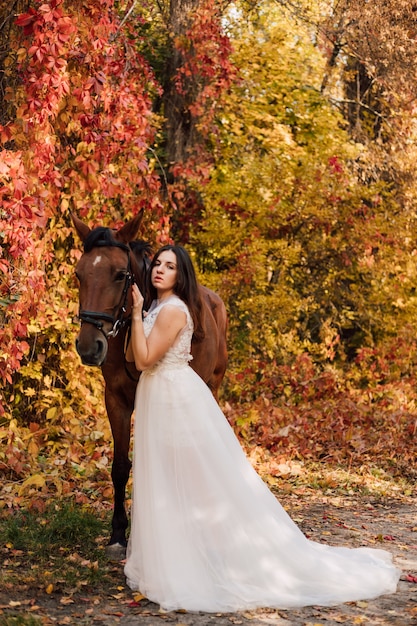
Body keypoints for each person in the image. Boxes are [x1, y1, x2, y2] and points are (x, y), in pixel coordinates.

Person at [124, 244, 400, 613]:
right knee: (164, 479)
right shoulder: (156, 308)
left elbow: (142, 360)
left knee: (184, 479)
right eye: (157, 263)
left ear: (181, 274)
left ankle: (205, 561)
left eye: (170, 266)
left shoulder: (172, 310)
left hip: (174, 400)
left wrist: (136, 313)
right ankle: (175, 557)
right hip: (158, 396)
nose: (160, 269)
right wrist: (138, 316)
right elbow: (130, 354)